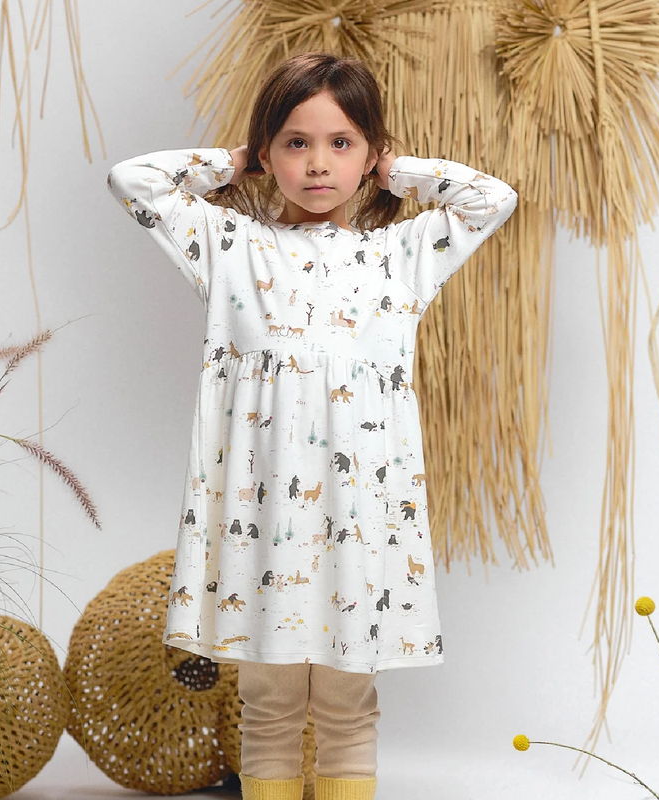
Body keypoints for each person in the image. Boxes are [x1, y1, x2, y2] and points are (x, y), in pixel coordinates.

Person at [107, 51, 517, 800]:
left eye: (342, 143)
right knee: (267, 702)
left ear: (369, 154)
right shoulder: (232, 247)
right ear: (269, 153)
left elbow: (492, 198)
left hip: (358, 522)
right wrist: (234, 163)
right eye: (296, 143)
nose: (318, 163)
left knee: (345, 701)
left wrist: (400, 173)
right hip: (261, 521)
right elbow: (133, 181)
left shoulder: (400, 254)